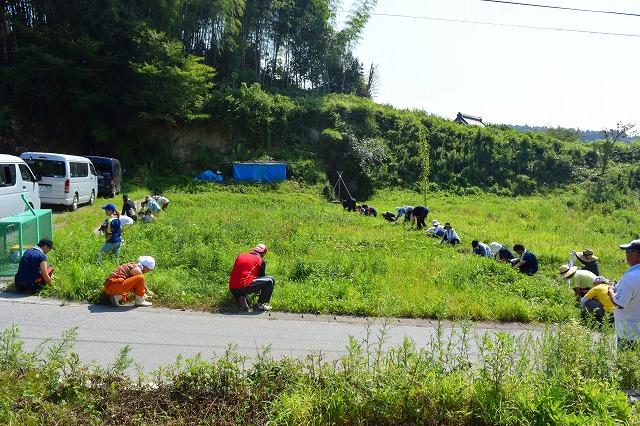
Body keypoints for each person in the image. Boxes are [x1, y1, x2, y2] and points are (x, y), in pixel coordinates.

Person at [609, 240, 640, 350]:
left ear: (635, 254)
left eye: (627, 251)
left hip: (629, 332)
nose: (626, 254)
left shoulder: (631, 277)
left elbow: (619, 304)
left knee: (624, 365)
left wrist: (610, 290)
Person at [229, 244, 274, 312]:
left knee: (244, 280)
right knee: (270, 280)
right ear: (263, 254)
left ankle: (241, 297)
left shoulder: (241, 255)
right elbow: (262, 277)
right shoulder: (260, 260)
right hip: (244, 286)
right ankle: (259, 305)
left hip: (232, 287)